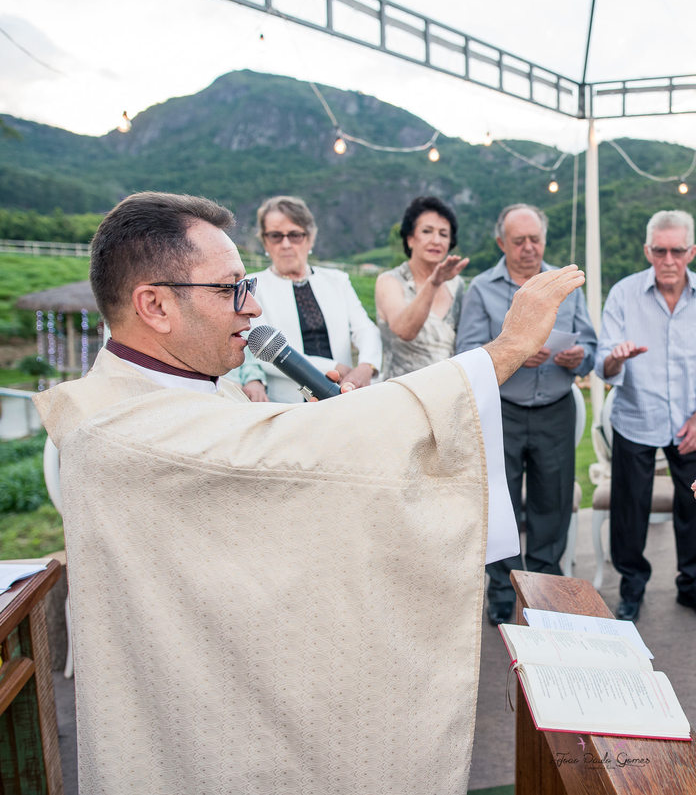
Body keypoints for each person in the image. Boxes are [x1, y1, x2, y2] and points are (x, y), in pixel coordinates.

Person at [34, 191, 585, 795]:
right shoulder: (126, 433)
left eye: (247, 287)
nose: (252, 306)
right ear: (155, 305)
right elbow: (273, 455)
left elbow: (267, 462)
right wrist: (505, 351)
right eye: (231, 290)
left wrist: (331, 422)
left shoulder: (176, 389)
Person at [456, 202, 597, 626]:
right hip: (502, 410)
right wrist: (512, 353)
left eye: (535, 239)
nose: (529, 248)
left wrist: (579, 356)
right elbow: (465, 353)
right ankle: (502, 592)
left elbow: (592, 345)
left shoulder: (566, 284)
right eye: (519, 241)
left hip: (555, 408)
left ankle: (545, 592)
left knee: (552, 505)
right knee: (499, 504)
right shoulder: (481, 289)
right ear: (502, 243)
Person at [597, 210, 696, 623]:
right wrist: (616, 359)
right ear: (648, 251)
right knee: (629, 510)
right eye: (660, 251)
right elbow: (603, 363)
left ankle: (693, 585)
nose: (669, 260)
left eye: (677, 251)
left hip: (690, 419)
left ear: (692, 252)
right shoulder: (623, 294)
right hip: (636, 416)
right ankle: (631, 586)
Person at [233, 195, 381, 402]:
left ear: (310, 238)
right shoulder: (254, 286)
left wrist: (366, 366)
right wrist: (334, 367)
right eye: (276, 236)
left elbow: (365, 329)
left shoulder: (337, 280)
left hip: (344, 392)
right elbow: (263, 348)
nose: (286, 244)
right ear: (265, 242)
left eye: (295, 235)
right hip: (288, 403)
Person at [375, 196, 469, 377]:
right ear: (410, 239)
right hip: (400, 387)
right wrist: (433, 283)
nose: (436, 240)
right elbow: (404, 330)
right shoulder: (390, 281)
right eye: (427, 231)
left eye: (443, 234)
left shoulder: (457, 285)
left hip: (446, 387)